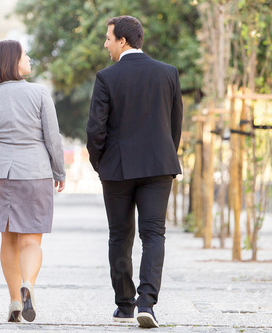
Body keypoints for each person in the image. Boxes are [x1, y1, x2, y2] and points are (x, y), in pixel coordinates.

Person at [86, 16, 183, 328]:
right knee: (154, 234)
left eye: (108, 38)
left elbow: (96, 130)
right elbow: (175, 123)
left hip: (117, 168)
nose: (106, 44)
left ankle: (125, 305)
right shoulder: (168, 73)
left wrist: (99, 163)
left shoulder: (106, 77)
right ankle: (148, 304)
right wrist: (166, 155)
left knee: (120, 234)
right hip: (159, 166)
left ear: (122, 41)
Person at [0, 40, 66, 323]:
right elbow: (53, 138)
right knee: (31, 239)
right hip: (35, 172)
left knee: (8, 239)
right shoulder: (38, 93)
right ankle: (29, 285)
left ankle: (14, 300)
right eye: (25, 55)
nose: (30, 59)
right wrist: (60, 172)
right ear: (13, 62)